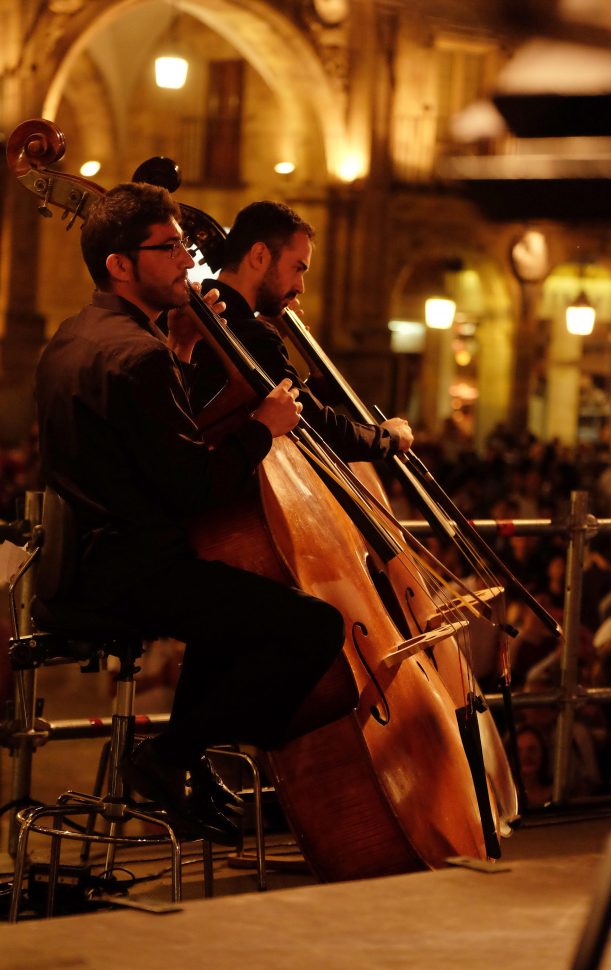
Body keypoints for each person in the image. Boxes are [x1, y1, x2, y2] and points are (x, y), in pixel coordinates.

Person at [35, 182, 347, 843]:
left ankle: (187, 759)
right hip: (134, 570)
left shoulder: (73, 336)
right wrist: (264, 425)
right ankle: (170, 756)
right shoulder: (137, 355)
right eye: (170, 247)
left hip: (82, 565)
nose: (188, 260)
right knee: (314, 629)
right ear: (121, 264)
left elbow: (130, 445)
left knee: (233, 617)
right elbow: (191, 487)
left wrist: (179, 353)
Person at [191, 201, 414, 463]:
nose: (301, 286)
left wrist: (317, 384)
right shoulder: (252, 335)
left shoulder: (201, 313)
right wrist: (388, 436)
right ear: (259, 255)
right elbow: (322, 430)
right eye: (298, 268)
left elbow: (279, 408)